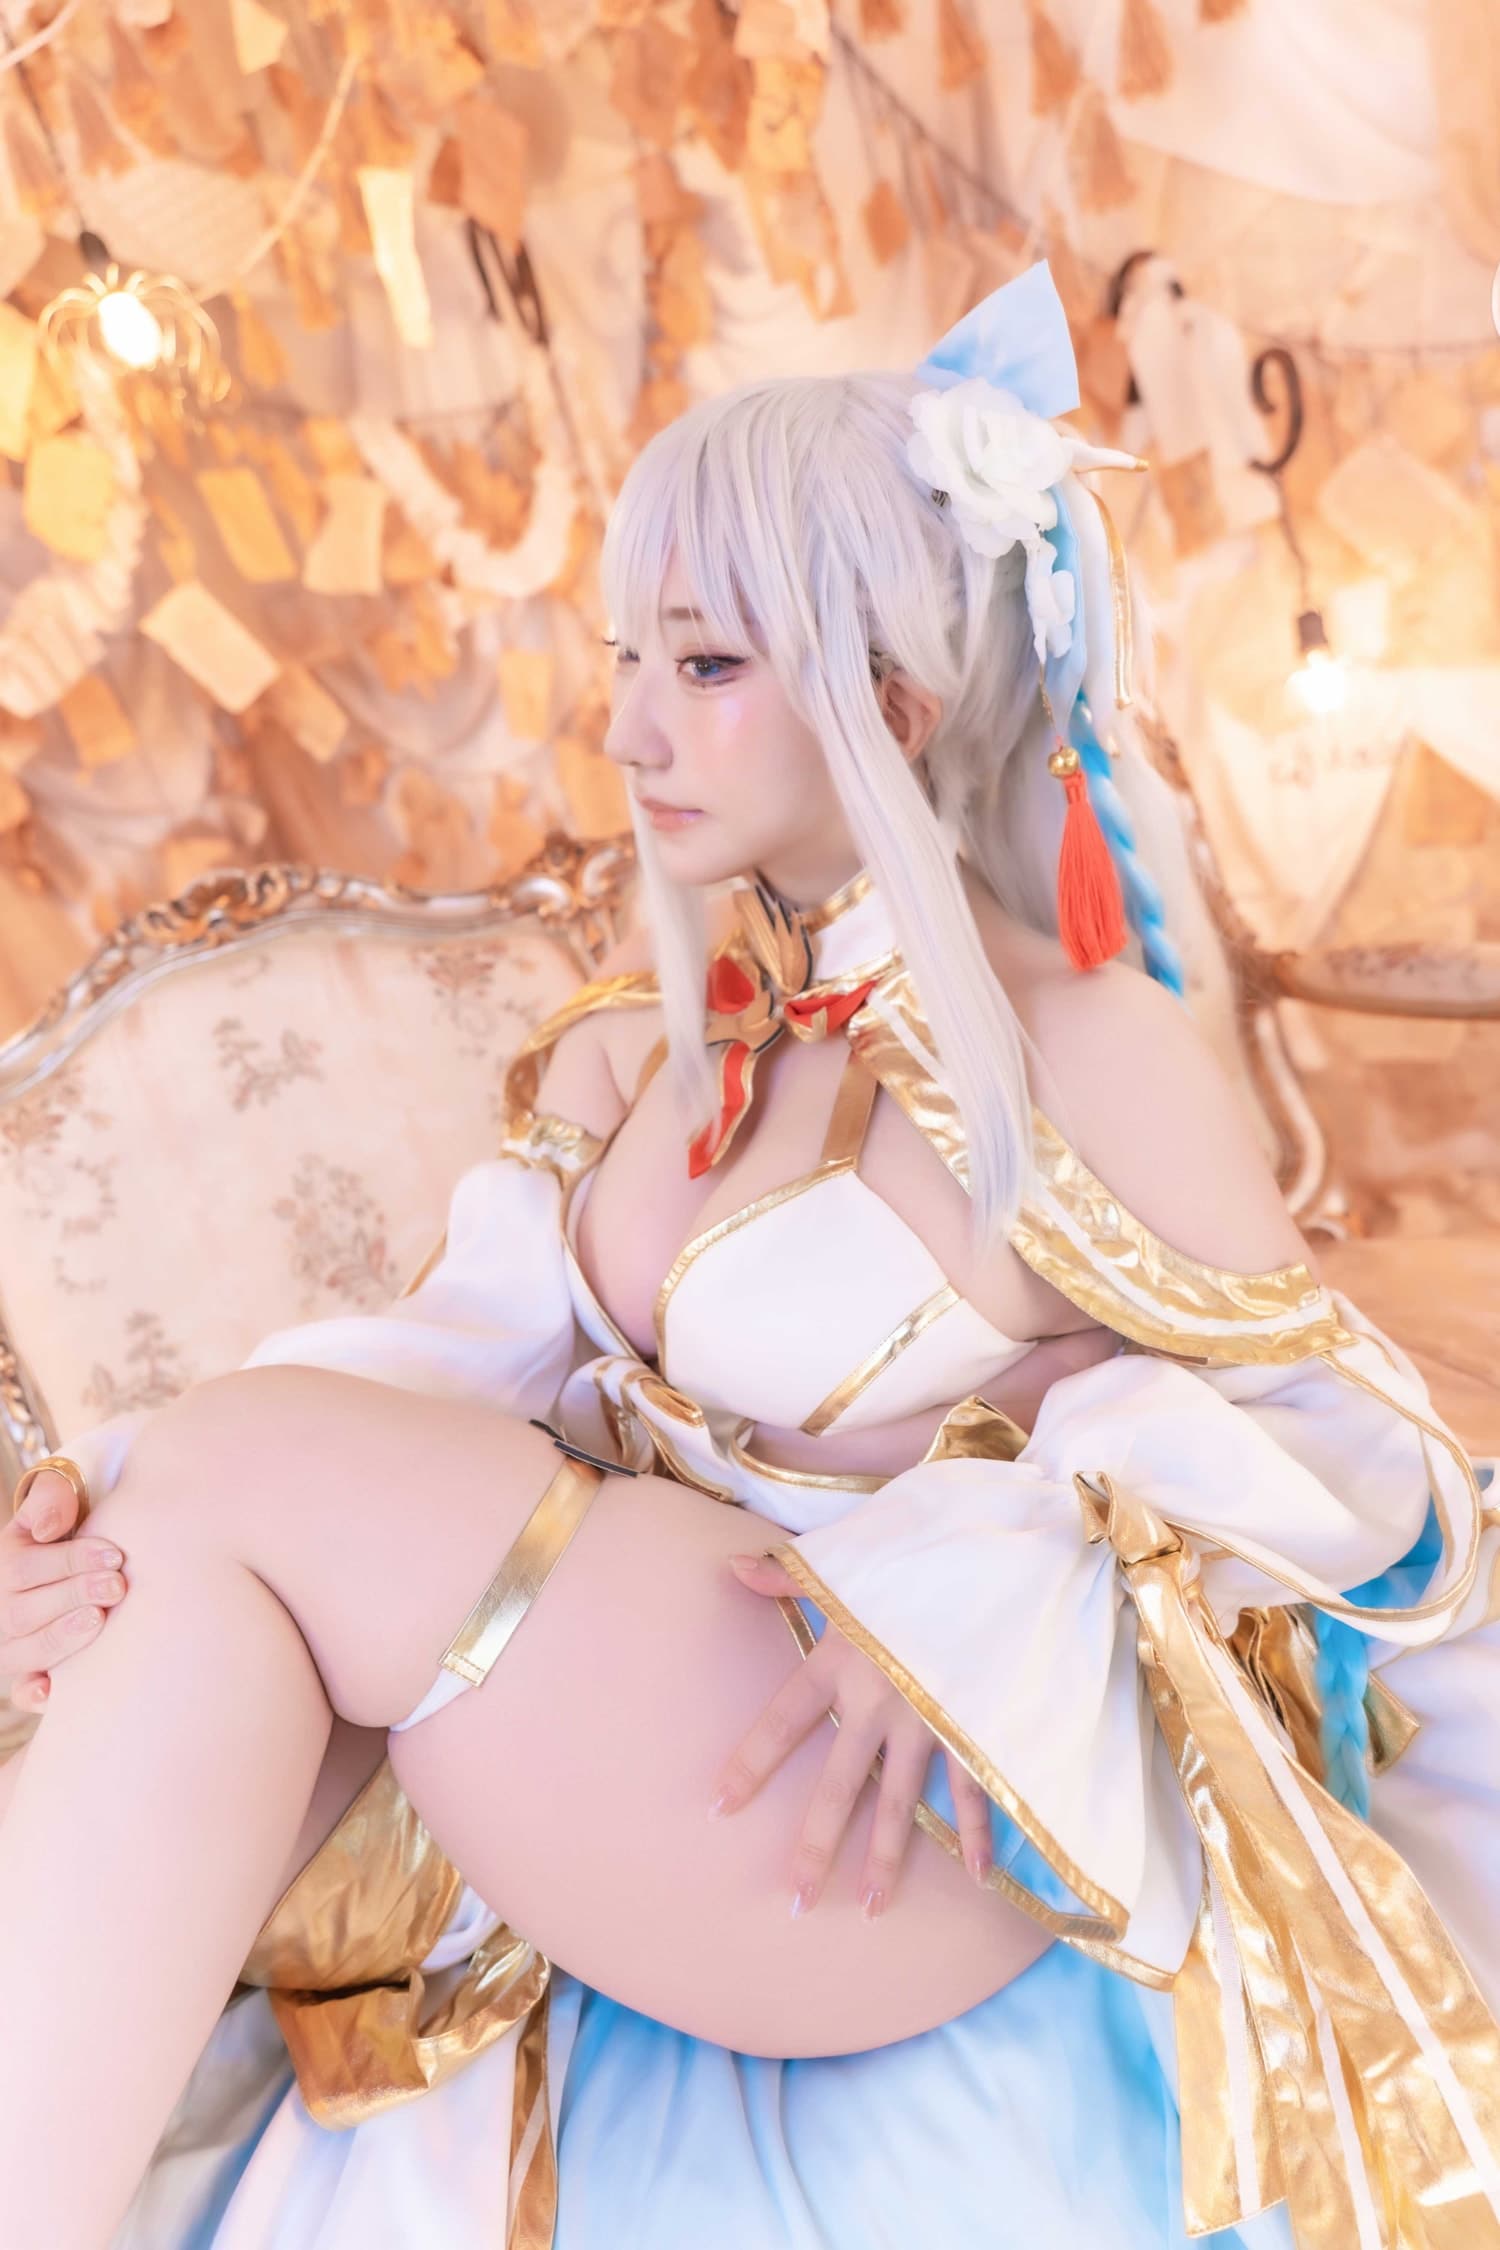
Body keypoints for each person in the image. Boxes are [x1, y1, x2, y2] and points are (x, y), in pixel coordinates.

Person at [2, 263, 1499, 2250]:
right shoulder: (636, 1060)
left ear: (895, 695)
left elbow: (1355, 1465)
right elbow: (441, 1366)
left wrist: (992, 1544)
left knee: (229, 1473)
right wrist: (97, 1527)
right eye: (628, 658)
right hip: (672, 1749)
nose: (628, 727)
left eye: (704, 664)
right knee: (197, 1513)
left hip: (908, 1810)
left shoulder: (1081, 1048)